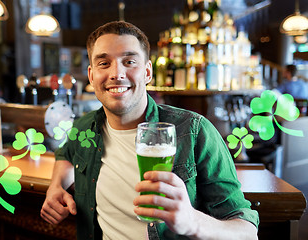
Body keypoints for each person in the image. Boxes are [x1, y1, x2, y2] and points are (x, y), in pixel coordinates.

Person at [40, 21, 259, 240]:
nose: (117, 73)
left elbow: (248, 232)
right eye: (104, 63)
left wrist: (192, 222)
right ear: (91, 75)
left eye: (129, 61)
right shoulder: (83, 127)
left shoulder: (194, 131)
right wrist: (56, 186)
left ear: (147, 72)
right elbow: (65, 154)